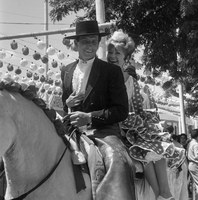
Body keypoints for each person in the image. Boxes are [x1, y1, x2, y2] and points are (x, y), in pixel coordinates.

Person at [106, 30, 186, 200]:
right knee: (145, 145)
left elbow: (138, 108)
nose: (112, 55)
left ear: (125, 57)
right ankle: (161, 194)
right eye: (110, 51)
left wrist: (140, 122)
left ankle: (163, 193)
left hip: (129, 126)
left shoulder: (131, 82)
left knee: (150, 144)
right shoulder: (104, 75)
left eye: (117, 52)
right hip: (115, 125)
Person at [61, 20, 135, 200]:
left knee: (119, 160)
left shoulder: (111, 71)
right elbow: (66, 108)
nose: (90, 46)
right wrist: (67, 104)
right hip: (72, 132)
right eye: (86, 41)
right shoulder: (66, 70)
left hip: (103, 131)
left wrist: (89, 117)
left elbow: (121, 110)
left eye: (94, 41)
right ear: (76, 44)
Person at [187, 129, 198, 199]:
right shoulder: (196, 144)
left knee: (194, 184)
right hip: (195, 164)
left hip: (191, 164)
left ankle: (195, 198)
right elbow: (197, 156)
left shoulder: (190, 143)